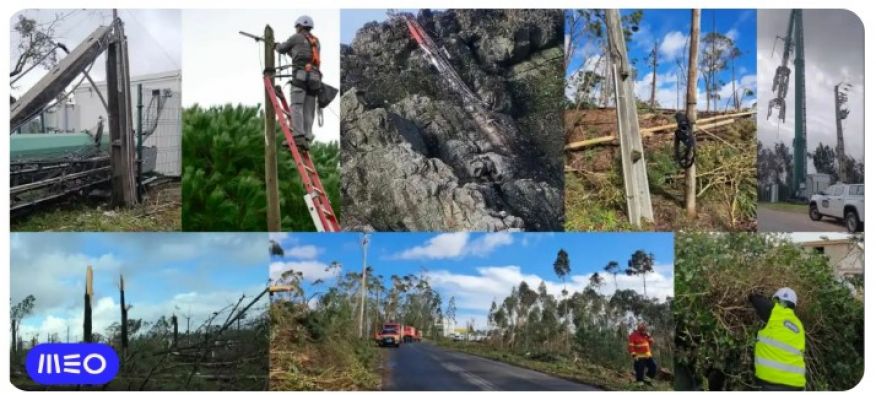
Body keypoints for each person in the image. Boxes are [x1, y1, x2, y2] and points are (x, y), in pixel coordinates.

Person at [276, 15, 321, 150]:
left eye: (297, 27)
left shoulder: (296, 37)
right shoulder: (316, 41)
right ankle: (307, 137)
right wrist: (292, 52)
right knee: (309, 109)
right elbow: (305, 56)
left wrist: (276, 45)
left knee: (296, 106)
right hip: (314, 78)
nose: (296, 29)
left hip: (300, 77)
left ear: (300, 26)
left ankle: (298, 136)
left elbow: (281, 49)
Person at [749, 287, 806, 391]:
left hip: (771, 382)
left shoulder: (774, 312)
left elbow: (754, 298)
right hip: (796, 384)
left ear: (776, 300)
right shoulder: (799, 326)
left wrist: (752, 294)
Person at [628, 321, 657, 386]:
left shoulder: (646, 335)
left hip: (647, 355)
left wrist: (650, 338)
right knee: (640, 369)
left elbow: (650, 343)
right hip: (639, 356)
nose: (645, 331)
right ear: (639, 329)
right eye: (643, 330)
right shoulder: (633, 335)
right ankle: (639, 382)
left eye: (645, 330)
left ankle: (648, 379)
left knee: (653, 366)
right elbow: (631, 346)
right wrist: (634, 355)